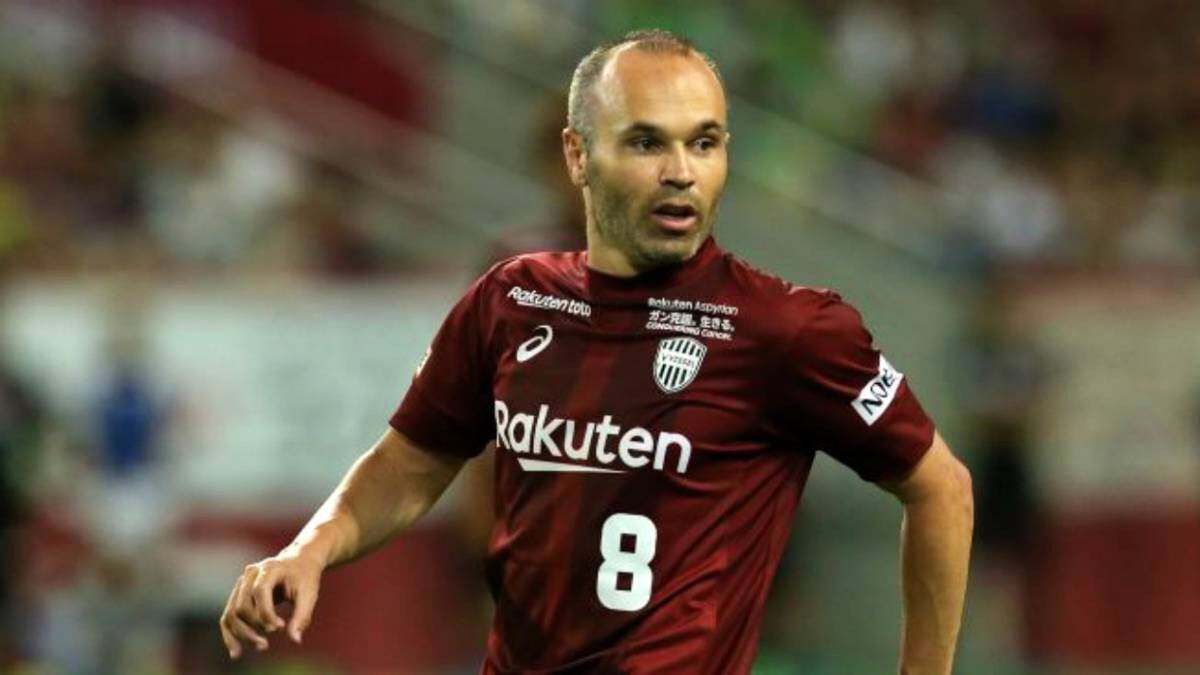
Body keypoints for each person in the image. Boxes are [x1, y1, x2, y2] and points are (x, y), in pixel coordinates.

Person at [219, 29, 974, 674]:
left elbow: (941, 486)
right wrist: (310, 548)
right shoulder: (512, 298)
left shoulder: (787, 328)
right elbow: (413, 459)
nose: (680, 170)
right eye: (647, 141)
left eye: (702, 142)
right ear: (578, 155)